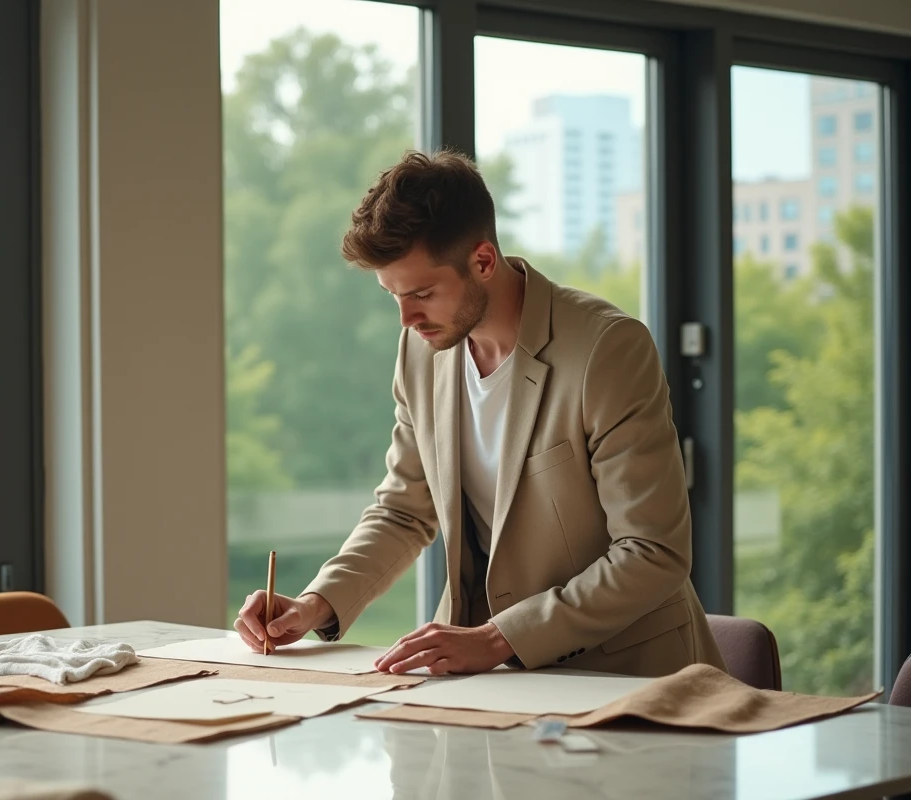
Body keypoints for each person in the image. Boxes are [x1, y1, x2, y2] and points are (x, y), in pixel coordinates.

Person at [235, 149, 727, 678]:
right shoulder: (421, 352)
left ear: (484, 261)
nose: (406, 318)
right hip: (495, 682)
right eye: (392, 295)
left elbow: (652, 551)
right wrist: (315, 604)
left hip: (633, 678)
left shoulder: (607, 349)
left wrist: (497, 638)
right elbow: (404, 510)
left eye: (422, 293)